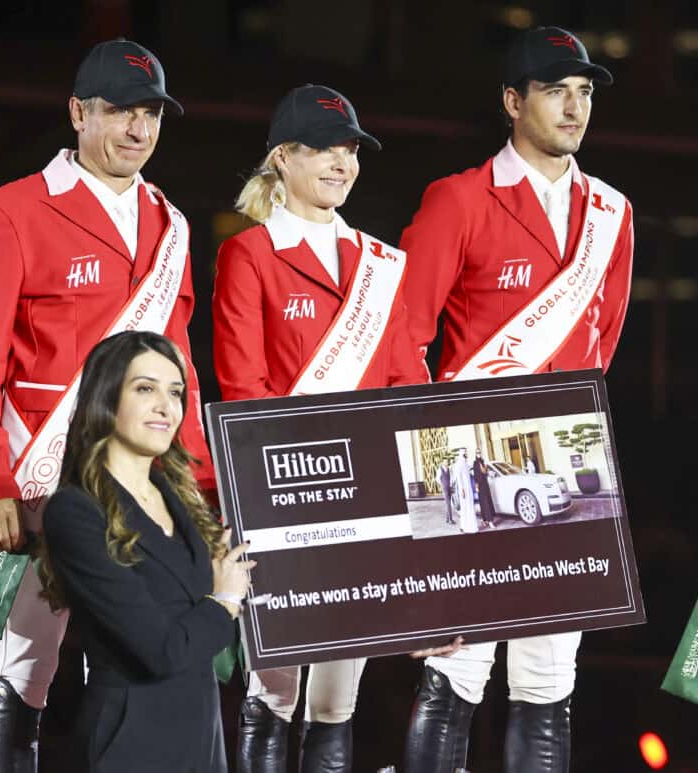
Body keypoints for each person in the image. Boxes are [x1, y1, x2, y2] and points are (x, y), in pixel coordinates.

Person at [0, 39, 214, 771]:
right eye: (119, 112)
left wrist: (203, 490)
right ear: (78, 113)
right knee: (28, 668)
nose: (137, 130)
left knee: (133, 663)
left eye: (150, 115)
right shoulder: (10, 213)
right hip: (47, 479)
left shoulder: (172, 225)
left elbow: (179, 367)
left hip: (148, 487)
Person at [399, 26, 634, 773]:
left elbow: (604, 339)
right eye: (555, 90)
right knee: (459, 667)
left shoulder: (613, 213)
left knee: (548, 678)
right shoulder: (459, 199)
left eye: (584, 92)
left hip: (567, 460)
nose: (574, 107)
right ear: (511, 100)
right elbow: (404, 341)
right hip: (470, 465)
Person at [212, 84, 428, 772]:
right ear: (282, 157)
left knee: (338, 697)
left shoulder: (382, 265)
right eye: (325, 149)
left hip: (366, 509)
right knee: (274, 689)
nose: (342, 162)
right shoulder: (248, 255)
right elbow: (244, 388)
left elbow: (406, 385)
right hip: (286, 503)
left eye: (350, 150)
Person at [37, 331, 250, 772]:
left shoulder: (181, 498)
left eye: (175, 392)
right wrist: (225, 600)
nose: (165, 406)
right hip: (129, 745)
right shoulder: (75, 511)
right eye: (145, 388)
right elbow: (160, 651)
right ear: (106, 397)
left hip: (202, 741)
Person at [452, 449, 477, 534]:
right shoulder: (458, 464)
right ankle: (464, 527)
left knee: (470, 507)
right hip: (463, 490)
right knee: (465, 508)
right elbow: (459, 478)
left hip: (469, 488)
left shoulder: (466, 464)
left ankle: (469, 526)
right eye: (464, 453)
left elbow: (470, 475)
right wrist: (461, 489)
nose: (466, 454)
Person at [473, 451, 495, 528]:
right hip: (480, 485)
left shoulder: (483, 461)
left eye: (479, 452)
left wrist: (486, 471)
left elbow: (486, 472)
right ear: (475, 454)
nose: (479, 454)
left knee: (486, 502)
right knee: (484, 503)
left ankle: (484, 519)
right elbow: (476, 475)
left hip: (485, 484)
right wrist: (476, 486)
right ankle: (490, 521)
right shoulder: (475, 463)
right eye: (477, 453)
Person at [438, 460, 455, 524]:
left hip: (449, 488)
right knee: (448, 504)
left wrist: (451, 484)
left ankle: (447, 519)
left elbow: (451, 478)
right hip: (444, 488)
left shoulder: (449, 469)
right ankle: (450, 519)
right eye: (445, 462)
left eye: (447, 462)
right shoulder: (440, 470)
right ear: (443, 462)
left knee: (449, 503)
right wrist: (442, 484)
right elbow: (437, 479)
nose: (447, 463)